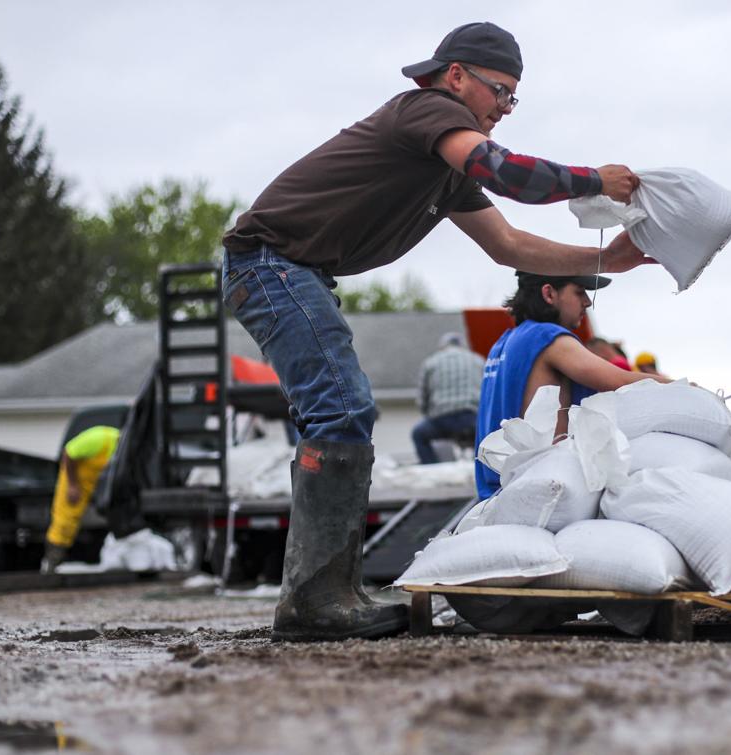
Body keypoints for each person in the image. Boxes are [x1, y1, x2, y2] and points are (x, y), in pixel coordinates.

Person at [220, 22, 651, 641]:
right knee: (341, 408)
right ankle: (315, 601)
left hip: (293, 270)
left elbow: (509, 245)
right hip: (269, 262)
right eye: (500, 92)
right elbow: (501, 169)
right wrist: (591, 182)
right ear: (456, 77)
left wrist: (610, 260)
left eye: (512, 99)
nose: (504, 109)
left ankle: (325, 593)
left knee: (339, 409)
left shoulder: (443, 170)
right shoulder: (425, 111)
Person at [475, 272, 670, 499]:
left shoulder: (503, 343)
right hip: (543, 488)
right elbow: (618, 381)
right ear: (549, 293)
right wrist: (686, 386)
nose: (587, 301)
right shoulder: (547, 336)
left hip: (497, 492)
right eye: (579, 292)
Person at [40, 425, 120, 573]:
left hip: (95, 483)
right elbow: (69, 453)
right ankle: (51, 563)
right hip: (75, 481)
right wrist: (73, 485)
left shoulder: (124, 449)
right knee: (65, 522)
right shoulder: (99, 439)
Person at [412, 332, 484, 464]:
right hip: (471, 420)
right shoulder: (477, 361)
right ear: (463, 346)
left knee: (419, 434)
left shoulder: (430, 362)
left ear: (442, 346)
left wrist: (428, 415)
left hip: (441, 420)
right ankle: (482, 468)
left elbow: (422, 399)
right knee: (485, 438)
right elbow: (487, 394)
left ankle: (432, 468)